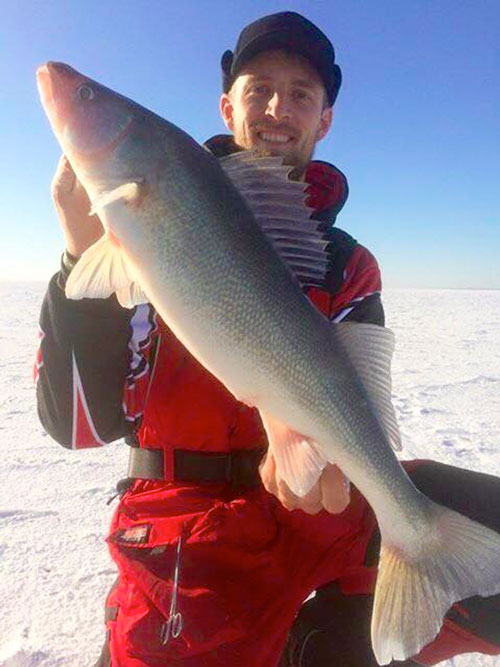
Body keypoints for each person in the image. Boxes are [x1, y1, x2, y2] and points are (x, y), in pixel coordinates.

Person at [35, 11, 500, 667]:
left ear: (324, 119)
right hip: (186, 531)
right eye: (259, 89)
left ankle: (340, 626)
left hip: (323, 519)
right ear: (228, 105)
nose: (280, 107)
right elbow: (79, 425)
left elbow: (353, 403)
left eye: (302, 93)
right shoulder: (143, 233)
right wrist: (80, 251)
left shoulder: (345, 263)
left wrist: (328, 460)